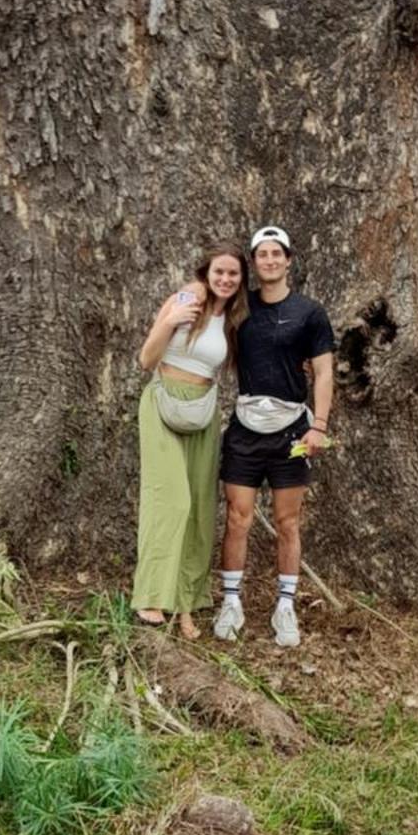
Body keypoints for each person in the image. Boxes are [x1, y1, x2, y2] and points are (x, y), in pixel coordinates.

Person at [214, 225, 335, 648]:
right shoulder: (238, 308)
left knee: (287, 522)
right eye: (261, 254)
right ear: (254, 262)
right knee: (237, 517)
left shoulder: (310, 313)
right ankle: (231, 601)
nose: (269, 261)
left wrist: (319, 425)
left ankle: (286, 606)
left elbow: (322, 371)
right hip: (246, 430)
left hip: (292, 433)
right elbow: (207, 300)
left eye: (275, 254)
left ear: (288, 260)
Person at [132, 243, 247, 638]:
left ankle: (186, 603)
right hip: (164, 401)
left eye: (233, 274)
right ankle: (150, 594)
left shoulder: (234, 317)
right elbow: (147, 359)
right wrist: (171, 320)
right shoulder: (189, 298)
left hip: (203, 410)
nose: (225, 279)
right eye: (219, 272)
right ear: (206, 272)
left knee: (199, 506)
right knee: (171, 499)